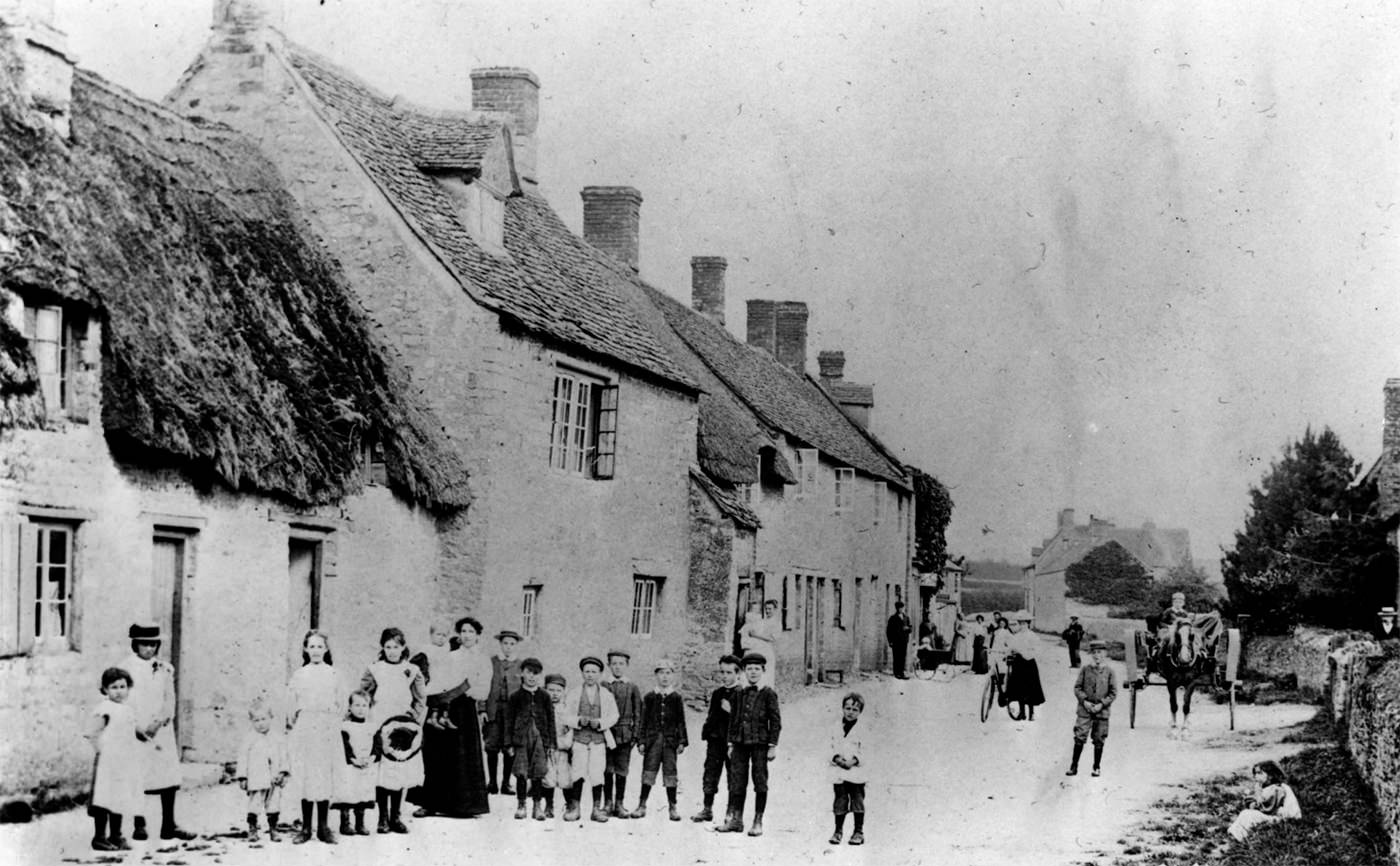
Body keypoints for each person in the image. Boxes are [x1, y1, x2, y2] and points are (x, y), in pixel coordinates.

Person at [410, 616, 491, 819]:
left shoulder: (482, 659)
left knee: (464, 756)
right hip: (444, 706)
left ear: (478, 635)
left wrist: (469, 690)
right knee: (437, 753)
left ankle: (464, 805)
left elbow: (483, 688)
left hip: (465, 710)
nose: (466, 635)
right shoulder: (450, 655)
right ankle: (431, 803)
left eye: (471, 631)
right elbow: (438, 678)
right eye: (463, 631)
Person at [121, 624, 195, 841]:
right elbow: (122, 700)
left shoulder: (164, 669)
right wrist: (136, 727)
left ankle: (168, 824)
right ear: (135, 644)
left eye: (153, 644)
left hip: (160, 729)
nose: (149, 649)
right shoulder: (125, 668)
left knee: (167, 776)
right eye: (144, 644)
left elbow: (169, 698)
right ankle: (139, 823)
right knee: (139, 776)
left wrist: (161, 719)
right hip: (137, 728)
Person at [361, 627, 426, 835]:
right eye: (387, 647)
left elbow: (420, 699)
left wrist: (413, 721)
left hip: (402, 725)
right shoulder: (375, 669)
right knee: (383, 772)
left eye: (396, 647)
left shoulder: (412, 670)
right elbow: (364, 695)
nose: (392, 651)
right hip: (380, 722)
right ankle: (382, 818)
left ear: (403, 648)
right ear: (382, 648)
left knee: (399, 769)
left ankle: (396, 816)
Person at [716, 652, 781, 838]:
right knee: (737, 780)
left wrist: (772, 745)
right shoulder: (739, 693)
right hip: (739, 743)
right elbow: (733, 720)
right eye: (749, 669)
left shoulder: (768, 693)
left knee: (760, 781)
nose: (753, 672)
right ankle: (736, 820)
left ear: (763, 671)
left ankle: (758, 821)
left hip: (760, 744)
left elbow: (775, 722)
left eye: (757, 669)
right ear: (744, 671)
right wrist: (730, 743)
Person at [286, 630, 341, 844]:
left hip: (326, 727)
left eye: (320, 646)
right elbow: (291, 701)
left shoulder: (334, 674)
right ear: (305, 649)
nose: (316, 650)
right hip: (306, 727)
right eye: (312, 646)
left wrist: (333, 720)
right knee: (306, 774)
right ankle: (306, 827)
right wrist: (296, 720)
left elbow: (341, 701)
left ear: (326, 650)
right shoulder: (300, 674)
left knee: (323, 775)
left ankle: (324, 828)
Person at [87, 667, 143, 851]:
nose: (119, 691)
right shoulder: (104, 709)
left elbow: (131, 730)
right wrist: (102, 751)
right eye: (114, 687)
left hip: (124, 761)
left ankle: (116, 835)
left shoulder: (128, 710)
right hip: (108, 762)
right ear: (105, 689)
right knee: (104, 798)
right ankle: (99, 837)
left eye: (123, 686)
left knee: (120, 797)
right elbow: (92, 733)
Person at [561, 656, 619, 822]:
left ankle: (596, 809)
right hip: (579, 739)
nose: (590, 675)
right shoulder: (574, 693)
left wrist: (600, 722)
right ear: (582, 673)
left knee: (597, 773)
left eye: (594, 672)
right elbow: (565, 715)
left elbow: (614, 715)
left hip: (598, 740)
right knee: (578, 772)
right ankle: (575, 808)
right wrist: (578, 720)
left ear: (600, 674)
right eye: (587, 671)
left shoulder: (606, 694)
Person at [630, 659, 688, 820]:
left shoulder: (676, 697)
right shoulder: (649, 697)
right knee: (649, 771)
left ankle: (672, 806)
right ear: (656, 675)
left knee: (670, 773)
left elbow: (681, 721)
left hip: (670, 742)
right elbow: (643, 720)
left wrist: (682, 741)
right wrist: (641, 741)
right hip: (652, 741)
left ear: (673, 676)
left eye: (668, 673)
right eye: (661, 673)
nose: (665, 677)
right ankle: (642, 805)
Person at [504, 657, 554, 821]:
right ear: (522, 674)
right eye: (528, 673)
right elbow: (509, 721)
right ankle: (521, 805)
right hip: (521, 739)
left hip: (540, 737)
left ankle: (537, 806)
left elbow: (551, 719)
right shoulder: (515, 697)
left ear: (540, 676)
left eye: (536, 673)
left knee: (538, 772)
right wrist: (508, 743)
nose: (532, 677)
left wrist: (551, 742)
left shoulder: (545, 696)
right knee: (521, 772)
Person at [693, 655, 741, 823]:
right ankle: (707, 808)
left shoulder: (741, 694)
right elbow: (711, 715)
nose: (725, 676)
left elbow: (744, 720)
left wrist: (731, 711)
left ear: (738, 673)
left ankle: (731, 811)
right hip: (715, 741)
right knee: (710, 773)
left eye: (729, 672)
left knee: (733, 776)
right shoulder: (717, 693)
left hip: (733, 742)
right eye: (722, 672)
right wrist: (707, 731)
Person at [237, 697, 290, 843]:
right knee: (254, 804)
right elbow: (242, 758)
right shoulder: (249, 739)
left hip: (274, 779)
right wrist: (243, 777)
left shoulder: (278, 738)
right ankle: (252, 829)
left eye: (263, 719)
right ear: (251, 721)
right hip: (256, 778)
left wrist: (283, 772)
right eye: (256, 720)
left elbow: (284, 756)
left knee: (273, 804)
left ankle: (273, 829)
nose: (260, 724)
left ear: (271, 718)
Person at [1067, 640, 1117, 777]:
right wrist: (1085, 701)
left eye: (1099, 652)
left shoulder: (1109, 672)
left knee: (1099, 738)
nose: (1096, 656)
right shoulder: (1085, 669)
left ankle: (1096, 767)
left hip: (1102, 711)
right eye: (1094, 653)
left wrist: (1102, 704)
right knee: (1079, 735)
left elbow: (1113, 692)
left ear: (1105, 654)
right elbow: (1077, 688)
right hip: (1085, 710)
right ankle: (1074, 766)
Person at [483, 630, 523, 795]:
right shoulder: (491, 662)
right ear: (500, 644)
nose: (508, 647)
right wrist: (482, 708)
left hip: (511, 712)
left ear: (516, 646)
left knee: (509, 746)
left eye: (512, 644)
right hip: (493, 709)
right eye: (505, 643)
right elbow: (482, 685)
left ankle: (506, 783)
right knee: (491, 746)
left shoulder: (521, 665)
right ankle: (492, 782)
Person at [604, 649, 643, 817]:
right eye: (614, 664)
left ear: (627, 666)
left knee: (622, 769)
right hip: (606, 733)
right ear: (609, 665)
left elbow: (638, 713)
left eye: (621, 664)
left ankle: (619, 803)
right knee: (606, 769)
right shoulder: (604, 686)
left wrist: (635, 735)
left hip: (625, 734)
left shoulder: (632, 687)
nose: (617, 667)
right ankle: (607, 803)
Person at [332, 691, 375, 837]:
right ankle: (345, 823)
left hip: (366, 765)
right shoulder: (345, 726)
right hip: (350, 766)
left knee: (362, 791)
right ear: (349, 707)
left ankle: (360, 823)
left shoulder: (372, 727)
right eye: (357, 705)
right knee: (348, 791)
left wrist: (372, 757)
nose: (361, 709)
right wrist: (352, 759)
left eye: (364, 705)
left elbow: (378, 744)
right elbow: (344, 745)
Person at [1228, 760, 1301, 842]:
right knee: (1246, 813)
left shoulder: (1277, 789)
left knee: (1248, 814)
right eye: (1255, 773)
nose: (1256, 776)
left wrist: (1255, 799)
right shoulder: (1269, 787)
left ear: (1271, 775)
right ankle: (1237, 835)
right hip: (1274, 815)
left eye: (1260, 773)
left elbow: (1267, 808)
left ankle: (1241, 837)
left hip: (1284, 819)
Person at [828, 692, 866, 847]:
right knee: (840, 800)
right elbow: (828, 746)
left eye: (855, 710)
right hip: (839, 770)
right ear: (843, 708)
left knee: (857, 800)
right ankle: (838, 831)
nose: (850, 712)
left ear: (860, 712)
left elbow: (868, 750)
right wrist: (836, 758)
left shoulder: (863, 729)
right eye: (848, 708)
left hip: (856, 771)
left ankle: (858, 831)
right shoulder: (835, 727)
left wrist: (854, 761)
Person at [1001, 611, 1046, 721]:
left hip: (1029, 664)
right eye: (1020, 623)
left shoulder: (1032, 636)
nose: (1022, 626)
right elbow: (1011, 647)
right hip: (1018, 664)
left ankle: (1031, 713)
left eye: (1024, 623)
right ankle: (1022, 713)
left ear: (1028, 624)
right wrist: (1007, 652)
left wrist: (1025, 653)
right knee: (1019, 688)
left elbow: (1037, 649)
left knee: (1030, 688)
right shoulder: (1016, 636)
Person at [542, 673, 573, 819]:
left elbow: (571, 730)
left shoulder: (567, 710)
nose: (554, 694)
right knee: (548, 777)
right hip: (547, 749)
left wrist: (565, 743)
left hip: (563, 750)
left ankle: (570, 804)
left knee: (566, 778)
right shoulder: (542, 708)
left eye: (558, 691)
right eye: (551, 690)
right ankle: (549, 804)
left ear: (564, 692)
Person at [415, 622, 457, 731]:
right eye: (438, 634)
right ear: (431, 635)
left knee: (446, 697)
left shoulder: (446, 648)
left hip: (444, 678)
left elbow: (453, 645)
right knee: (434, 697)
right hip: (433, 677)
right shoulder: (427, 649)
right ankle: (432, 718)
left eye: (444, 635)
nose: (441, 638)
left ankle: (444, 717)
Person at [739, 600, 780, 688]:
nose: (767, 611)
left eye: (770, 609)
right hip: (758, 649)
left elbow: (772, 639)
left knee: (766, 673)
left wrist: (756, 635)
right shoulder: (762, 621)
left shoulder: (776, 623)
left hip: (767, 650)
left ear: (775, 610)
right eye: (766, 609)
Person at [886, 602, 913, 679]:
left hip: (904, 640)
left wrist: (908, 628)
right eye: (898, 608)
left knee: (902, 657)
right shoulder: (893, 618)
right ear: (896, 608)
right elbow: (888, 631)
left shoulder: (906, 618)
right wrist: (890, 641)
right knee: (896, 656)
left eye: (901, 607)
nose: (900, 609)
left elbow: (911, 628)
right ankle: (896, 673)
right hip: (896, 640)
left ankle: (902, 673)